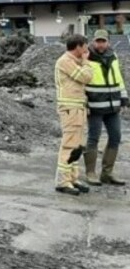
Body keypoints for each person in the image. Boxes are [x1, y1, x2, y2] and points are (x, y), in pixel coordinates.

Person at [84, 29, 127, 186]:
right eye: (98, 41)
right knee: (93, 139)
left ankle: (107, 173)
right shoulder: (86, 57)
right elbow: (81, 82)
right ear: (93, 41)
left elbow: (119, 79)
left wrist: (124, 99)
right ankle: (90, 173)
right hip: (94, 107)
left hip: (112, 106)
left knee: (115, 137)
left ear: (108, 42)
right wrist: (84, 103)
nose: (100, 44)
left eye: (103, 41)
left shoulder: (113, 56)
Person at [54, 34, 94, 195]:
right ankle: (62, 181)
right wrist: (86, 61)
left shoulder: (73, 61)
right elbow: (86, 77)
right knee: (69, 144)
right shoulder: (65, 61)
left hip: (78, 108)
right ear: (78, 46)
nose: (86, 50)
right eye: (84, 46)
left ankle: (72, 178)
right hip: (70, 109)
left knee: (77, 146)